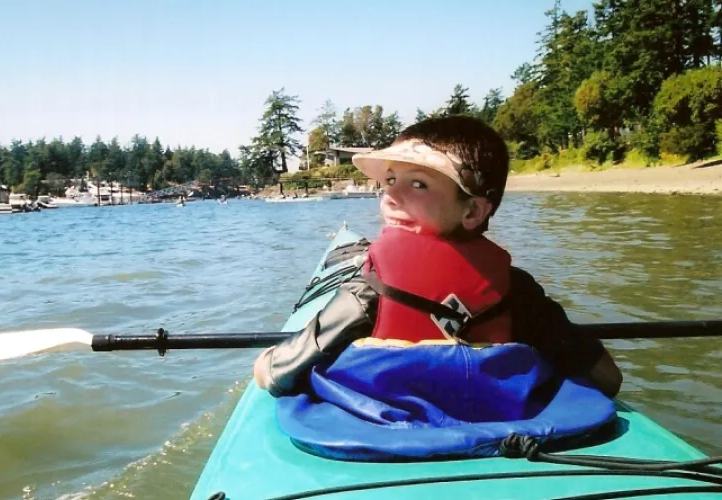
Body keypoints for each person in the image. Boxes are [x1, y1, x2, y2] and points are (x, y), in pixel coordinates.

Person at [253, 116, 623, 399]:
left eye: (418, 184)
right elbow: (607, 377)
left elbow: (274, 375)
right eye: (390, 180)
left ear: (474, 212)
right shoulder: (516, 290)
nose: (390, 197)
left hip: (389, 431)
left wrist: (265, 360)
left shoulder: (371, 287)